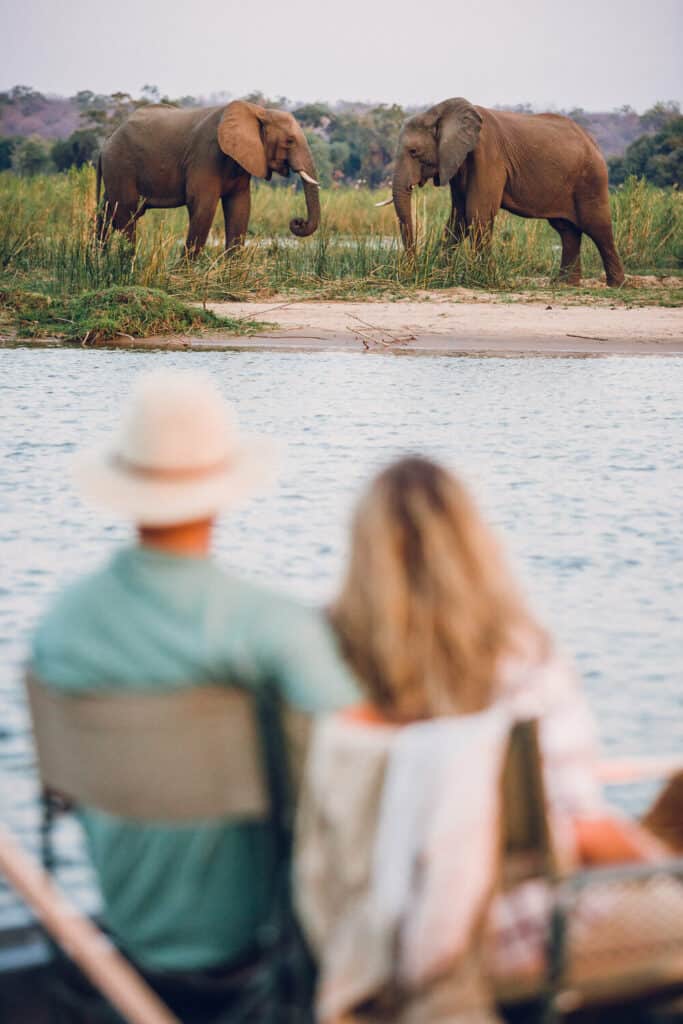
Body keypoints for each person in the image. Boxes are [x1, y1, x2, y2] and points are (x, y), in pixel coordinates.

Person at [294, 456, 676, 1023]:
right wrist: (656, 864)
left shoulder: (318, 661)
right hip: (514, 946)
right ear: (475, 546)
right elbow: (573, 832)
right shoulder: (521, 660)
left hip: (352, 942)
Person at [30, 369, 358, 1017]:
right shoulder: (271, 628)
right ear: (222, 491)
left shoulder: (59, 629)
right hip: (264, 966)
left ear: (125, 489)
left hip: (125, 953)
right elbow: (366, 759)